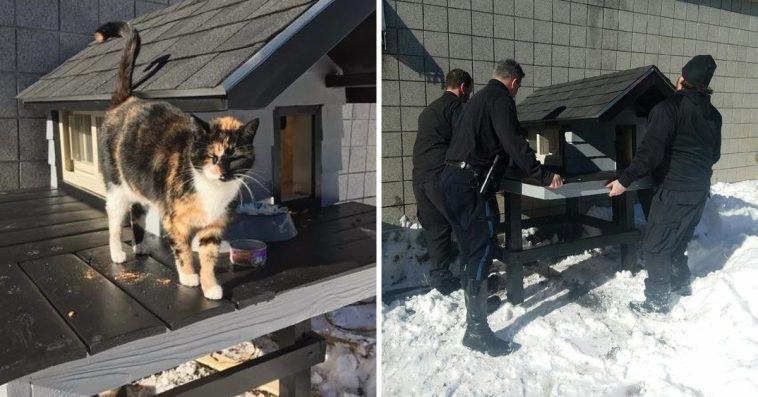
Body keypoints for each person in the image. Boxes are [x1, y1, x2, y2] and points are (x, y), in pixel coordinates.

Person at [441, 59, 563, 356]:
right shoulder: (501, 100)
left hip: (452, 179)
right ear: (515, 83)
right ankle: (476, 331)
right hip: (471, 185)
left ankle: (477, 310)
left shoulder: (478, 100)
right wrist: (543, 175)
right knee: (482, 250)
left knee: (472, 249)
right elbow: (513, 142)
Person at [606, 55, 722, 314]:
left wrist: (624, 181)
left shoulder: (668, 109)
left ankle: (657, 302)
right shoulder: (714, 115)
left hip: (673, 190)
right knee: (678, 239)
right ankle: (681, 283)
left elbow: (649, 153)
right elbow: (714, 155)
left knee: (655, 246)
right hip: (699, 191)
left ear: (681, 79)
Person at [413, 69, 472, 295]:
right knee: (466, 226)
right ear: (463, 87)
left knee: (437, 228)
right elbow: (464, 143)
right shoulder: (456, 108)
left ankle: (441, 278)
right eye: (469, 91)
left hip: (420, 179)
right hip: (440, 177)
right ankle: (472, 281)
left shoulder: (428, 111)